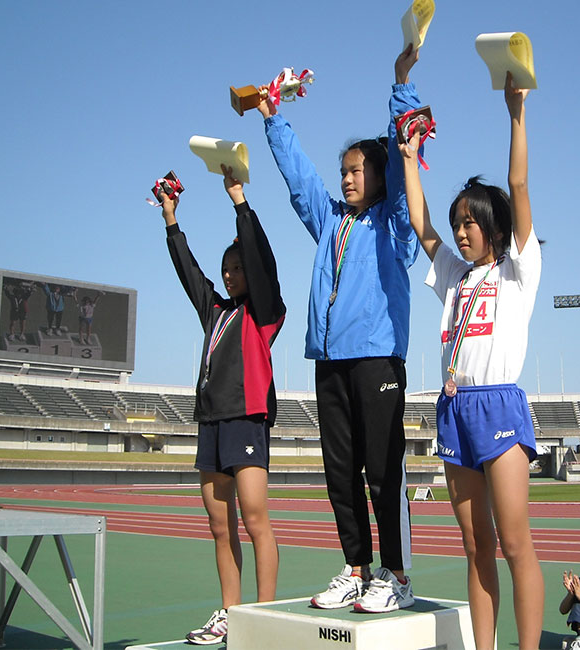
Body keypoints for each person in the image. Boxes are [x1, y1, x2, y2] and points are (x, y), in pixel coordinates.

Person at [255, 43, 422, 614]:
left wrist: (401, 82)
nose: (346, 178)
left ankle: (396, 573)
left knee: (382, 470)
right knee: (338, 472)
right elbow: (301, 182)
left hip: (376, 358)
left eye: (356, 171)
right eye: (344, 171)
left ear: (378, 174)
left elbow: (404, 167)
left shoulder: (395, 226)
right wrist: (274, 118)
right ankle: (357, 566)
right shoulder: (330, 222)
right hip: (328, 359)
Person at [398, 72, 543, 649]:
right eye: (459, 223)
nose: (461, 233)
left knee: (513, 542)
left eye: (471, 223)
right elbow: (419, 225)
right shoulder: (456, 277)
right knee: (475, 545)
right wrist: (410, 157)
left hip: (500, 405)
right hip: (454, 408)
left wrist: (515, 113)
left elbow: (519, 183)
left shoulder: (518, 271)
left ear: (495, 228)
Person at [159, 165, 285, 645]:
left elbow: (259, 257)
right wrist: (171, 220)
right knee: (218, 524)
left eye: (238, 269)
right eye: (226, 270)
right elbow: (188, 270)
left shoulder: (264, 314)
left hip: (246, 420)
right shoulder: (215, 310)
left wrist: (238, 202)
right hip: (210, 421)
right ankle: (232, 613)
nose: (232, 275)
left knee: (255, 518)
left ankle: (266, 615)